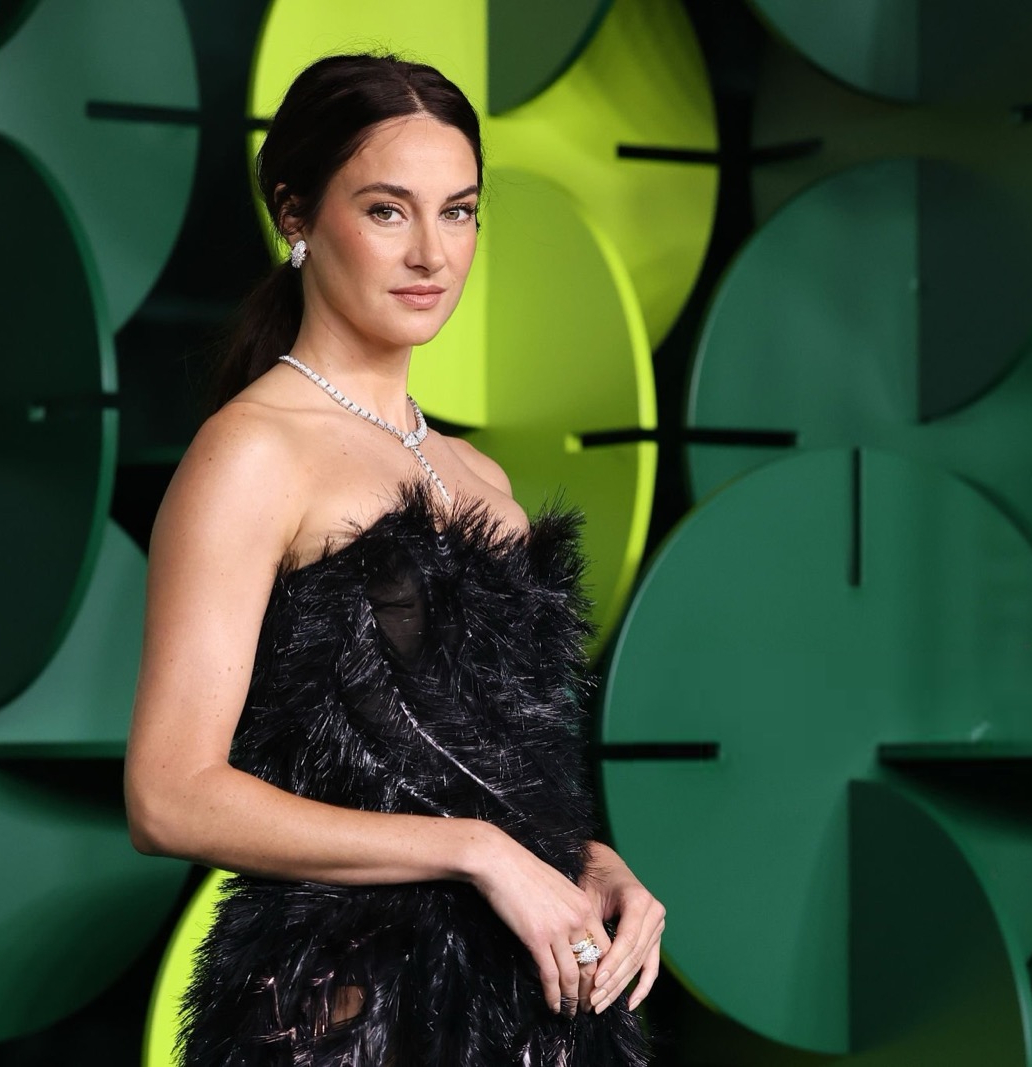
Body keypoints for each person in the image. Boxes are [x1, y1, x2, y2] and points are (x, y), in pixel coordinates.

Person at [124, 52, 664, 1065]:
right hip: (351, 1011)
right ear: (295, 215)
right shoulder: (252, 453)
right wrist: (477, 852)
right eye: (386, 210)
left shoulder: (480, 476)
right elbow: (169, 793)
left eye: (458, 212)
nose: (430, 253)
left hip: (534, 1008)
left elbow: (485, 762)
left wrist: (587, 863)